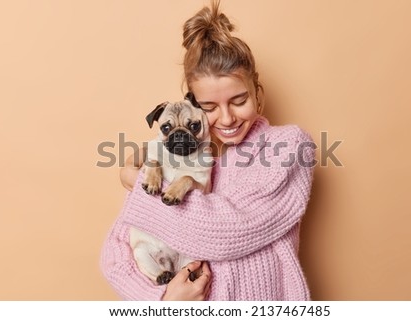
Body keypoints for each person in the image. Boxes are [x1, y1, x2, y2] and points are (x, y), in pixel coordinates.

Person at [100, 0, 315, 301]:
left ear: (258, 93)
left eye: (239, 100)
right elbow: (117, 252)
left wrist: (135, 183)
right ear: (193, 107)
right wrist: (161, 301)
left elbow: (224, 233)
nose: (227, 119)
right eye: (210, 107)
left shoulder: (288, 147)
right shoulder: (169, 160)